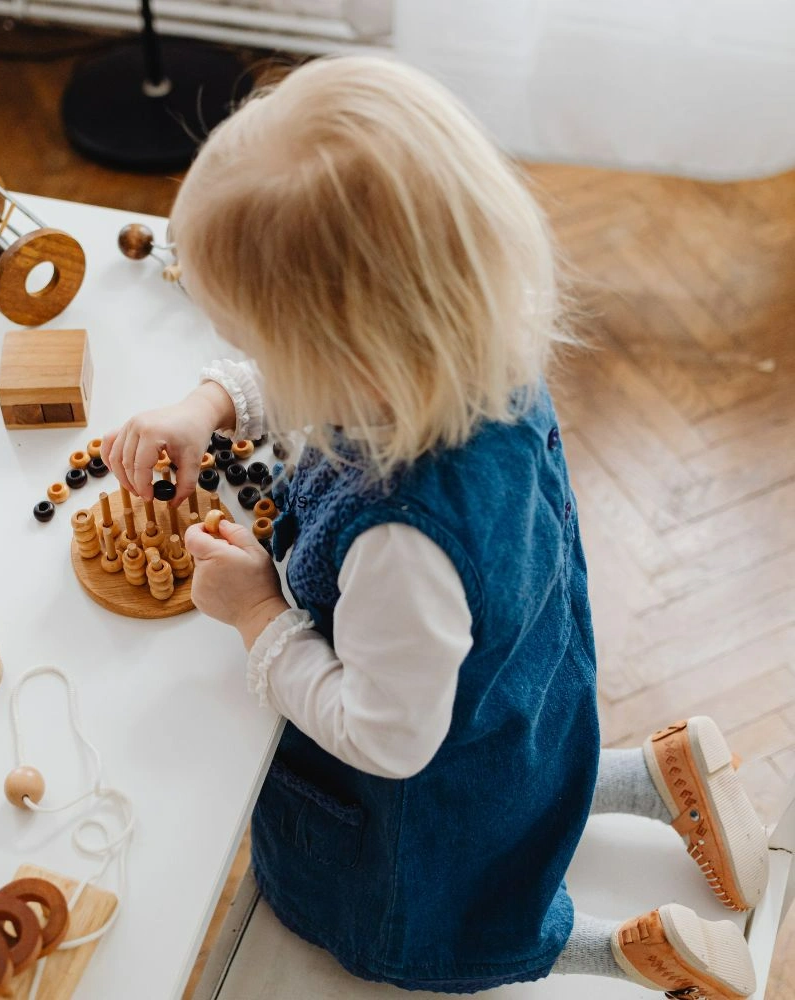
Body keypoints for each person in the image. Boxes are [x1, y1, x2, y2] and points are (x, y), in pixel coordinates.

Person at [102, 56, 768, 997]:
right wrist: (213, 399)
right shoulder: (472, 344)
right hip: (516, 692)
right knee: (520, 793)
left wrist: (257, 613)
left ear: (345, 359)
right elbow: (329, 386)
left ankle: (618, 950)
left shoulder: (400, 548)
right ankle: (648, 778)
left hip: (413, 784)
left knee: (436, 918)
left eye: (261, 347)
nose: (254, 361)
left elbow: (386, 740)